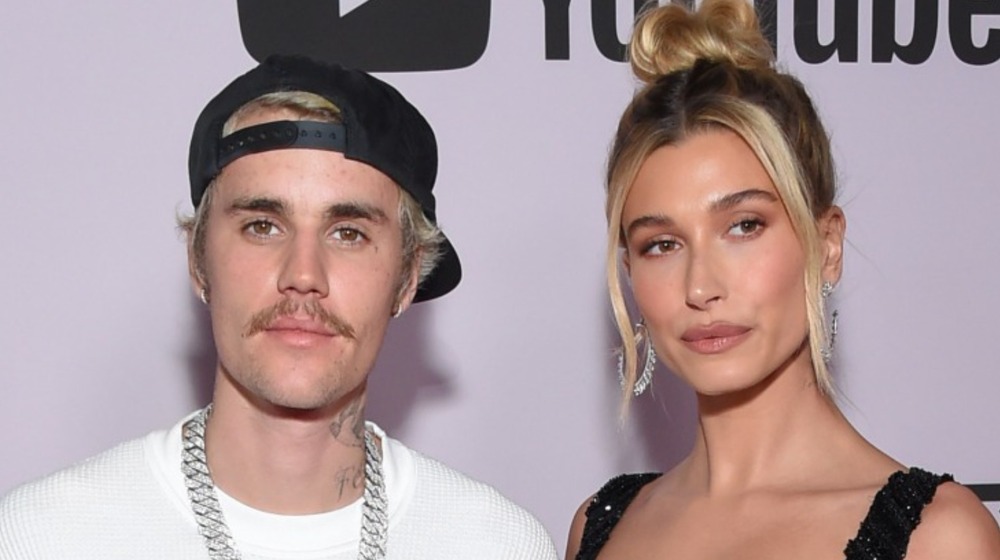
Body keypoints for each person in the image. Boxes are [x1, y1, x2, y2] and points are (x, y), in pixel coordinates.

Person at [0, 55, 558, 560]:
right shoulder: (45, 536)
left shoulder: (496, 544)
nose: (303, 276)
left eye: (348, 233)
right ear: (199, 263)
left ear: (407, 278)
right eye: (262, 226)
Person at [565, 1, 1000, 559]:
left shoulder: (938, 538)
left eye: (744, 226)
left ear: (827, 246)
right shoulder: (601, 526)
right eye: (662, 244)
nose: (700, 287)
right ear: (630, 272)